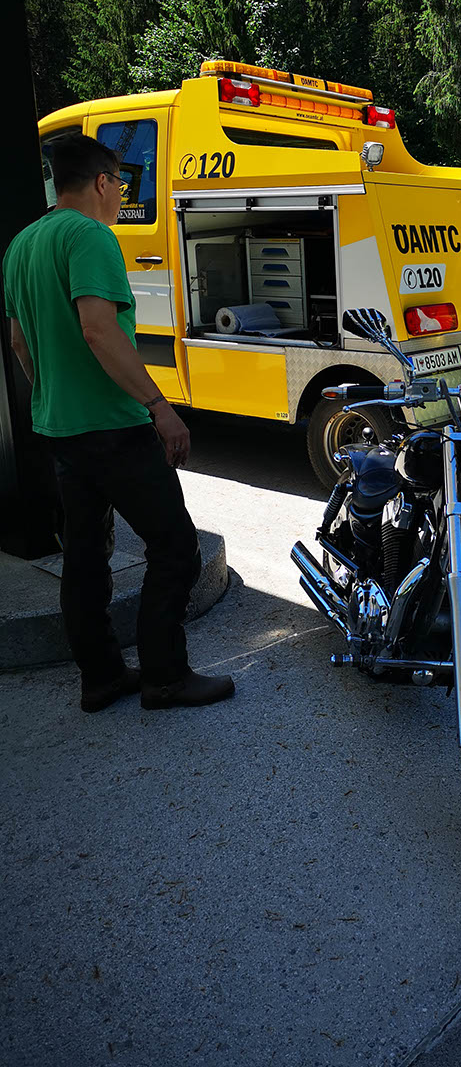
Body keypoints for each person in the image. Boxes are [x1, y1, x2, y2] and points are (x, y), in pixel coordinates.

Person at [4, 133, 234, 712]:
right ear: (103, 182)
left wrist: (54, 396)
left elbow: (18, 342)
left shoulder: (21, 244)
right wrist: (159, 406)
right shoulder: (90, 236)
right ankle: (165, 676)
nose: (119, 196)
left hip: (60, 430)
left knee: (84, 558)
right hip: (114, 427)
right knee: (176, 545)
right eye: (120, 185)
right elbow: (99, 330)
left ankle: (102, 677)